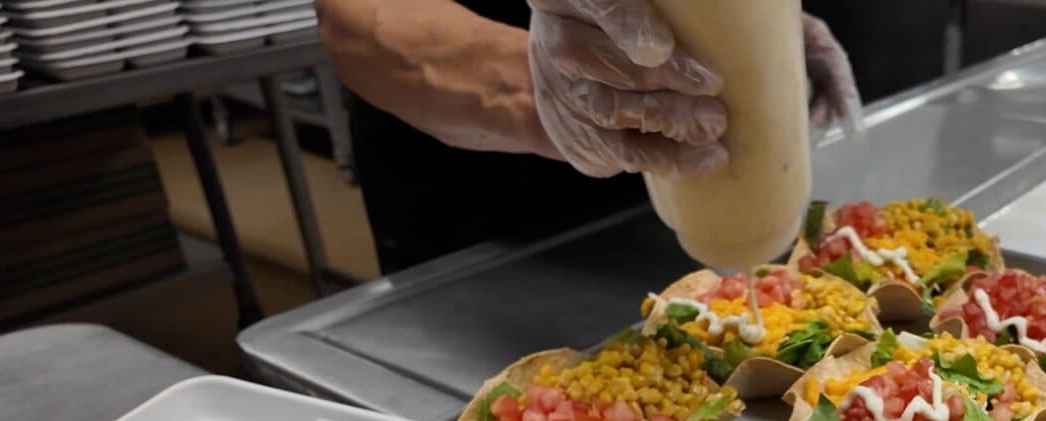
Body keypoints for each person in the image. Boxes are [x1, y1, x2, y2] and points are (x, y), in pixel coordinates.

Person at [314, 0, 861, 271]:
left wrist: (768, 43)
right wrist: (544, 93)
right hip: (502, 252)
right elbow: (355, 17)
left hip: (767, 204)